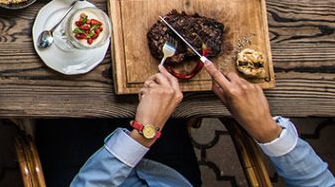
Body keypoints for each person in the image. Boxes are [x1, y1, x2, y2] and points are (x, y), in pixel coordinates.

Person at [63, 60, 335, 186]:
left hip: (82, 175)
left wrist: (143, 135)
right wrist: (266, 130)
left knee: (68, 100)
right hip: (168, 176)